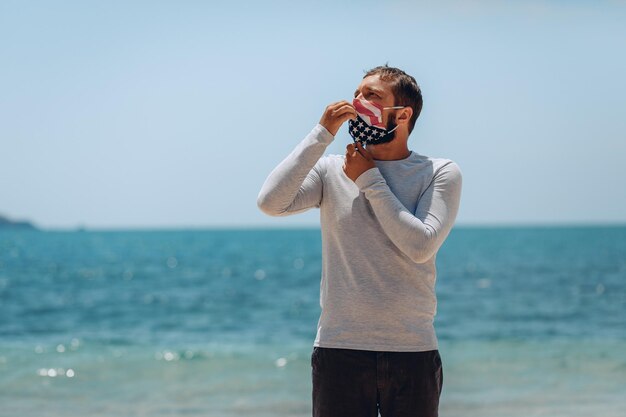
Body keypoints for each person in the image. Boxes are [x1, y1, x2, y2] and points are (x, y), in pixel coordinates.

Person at [257, 65, 462, 417]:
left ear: (402, 114)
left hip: (412, 350)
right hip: (339, 349)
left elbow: (420, 246)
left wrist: (368, 178)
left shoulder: (439, 172)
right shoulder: (331, 169)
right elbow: (270, 202)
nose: (357, 101)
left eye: (372, 95)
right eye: (357, 93)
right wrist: (322, 134)